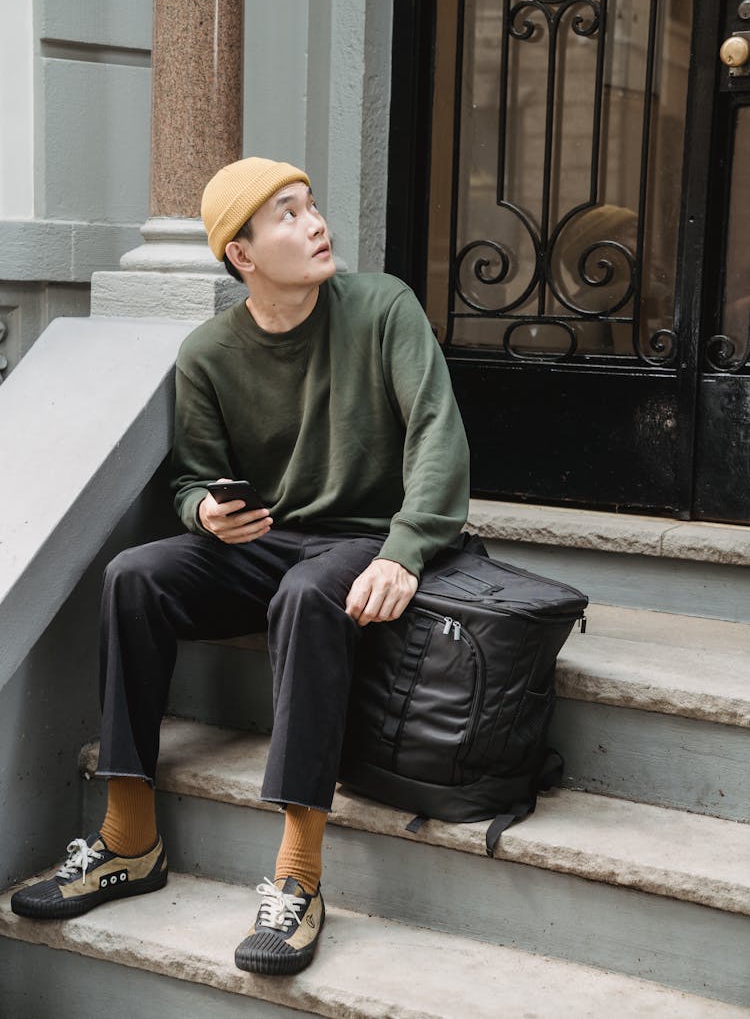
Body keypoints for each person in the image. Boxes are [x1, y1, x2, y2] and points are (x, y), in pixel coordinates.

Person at [11, 156, 471, 976]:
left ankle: (298, 875)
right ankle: (129, 837)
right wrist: (204, 513)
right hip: (265, 544)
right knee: (135, 575)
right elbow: (192, 477)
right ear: (243, 255)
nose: (317, 223)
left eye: (311, 205)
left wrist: (407, 547)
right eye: (288, 215)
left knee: (305, 593)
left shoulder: (382, 306)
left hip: (362, 538)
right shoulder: (209, 352)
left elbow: (437, 433)